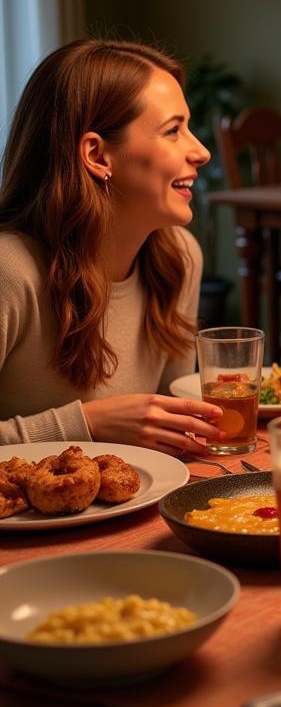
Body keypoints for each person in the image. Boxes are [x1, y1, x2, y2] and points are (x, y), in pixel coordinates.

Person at [0, 39, 227, 453]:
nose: (202, 151)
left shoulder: (179, 257)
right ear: (97, 155)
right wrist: (84, 425)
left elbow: (169, 441)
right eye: (173, 131)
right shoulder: (9, 272)